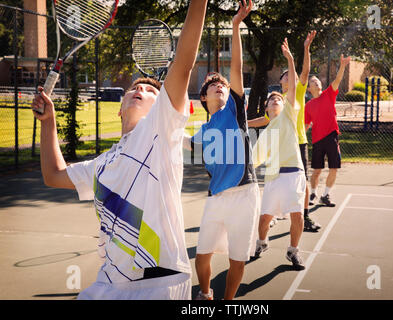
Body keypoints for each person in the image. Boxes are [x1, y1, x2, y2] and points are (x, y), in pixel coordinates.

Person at [30, 0, 208, 300]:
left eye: (152, 91)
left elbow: (185, 63)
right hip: (109, 283)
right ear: (120, 109)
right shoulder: (101, 165)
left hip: (158, 282)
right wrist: (48, 123)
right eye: (135, 88)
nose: (141, 90)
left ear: (162, 106)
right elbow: (54, 175)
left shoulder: (159, 131)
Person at [183, 0, 259, 300]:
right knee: (202, 256)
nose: (220, 86)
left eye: (223, 85)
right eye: (213, 85)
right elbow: (181, 143)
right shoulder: (203, 131)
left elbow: (236, 67)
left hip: (245, 195)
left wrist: (236, 26)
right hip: (216, 199)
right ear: (204, 97)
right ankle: (205, 294)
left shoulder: (235, 112)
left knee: (237, 260)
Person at [248, 31, 321, 232]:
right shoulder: (277, 100)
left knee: (302, 181)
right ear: (281, 81)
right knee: (272, 177)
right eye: (287, 74)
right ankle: (270, 213)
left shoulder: (295, 93)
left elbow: (305, 71)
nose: (291, 75)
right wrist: (246, 123)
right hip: (278, 142)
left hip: (297, 140)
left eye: (292, 73)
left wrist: (306, 48)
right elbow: (265, 119)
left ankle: (304, 216)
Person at [252, 38, 305, 270]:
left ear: (284, 105)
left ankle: (293, 251)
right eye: (271, 99)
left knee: (297, 215)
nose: (276, 99)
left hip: (294, 173)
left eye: (278, 98)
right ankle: (262, 243)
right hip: (273, 178)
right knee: (264, 220)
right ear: (266, 109)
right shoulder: (264, 134)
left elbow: (292, 86)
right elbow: (252, 162)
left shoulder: (289, 116)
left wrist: (291, 59)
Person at [305, 54, 351, 207]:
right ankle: (313, 194)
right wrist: (299, 140)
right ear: (309, 88)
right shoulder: (309, 105)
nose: (317, 82)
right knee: (317, 170)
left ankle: (325, 195)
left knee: (334, 168)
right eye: (313, 81)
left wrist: (343, 66)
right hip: (317, 140)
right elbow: (305, 126)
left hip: (331, 137)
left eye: (317, 80)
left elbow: (337, 80)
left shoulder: (328, 95)